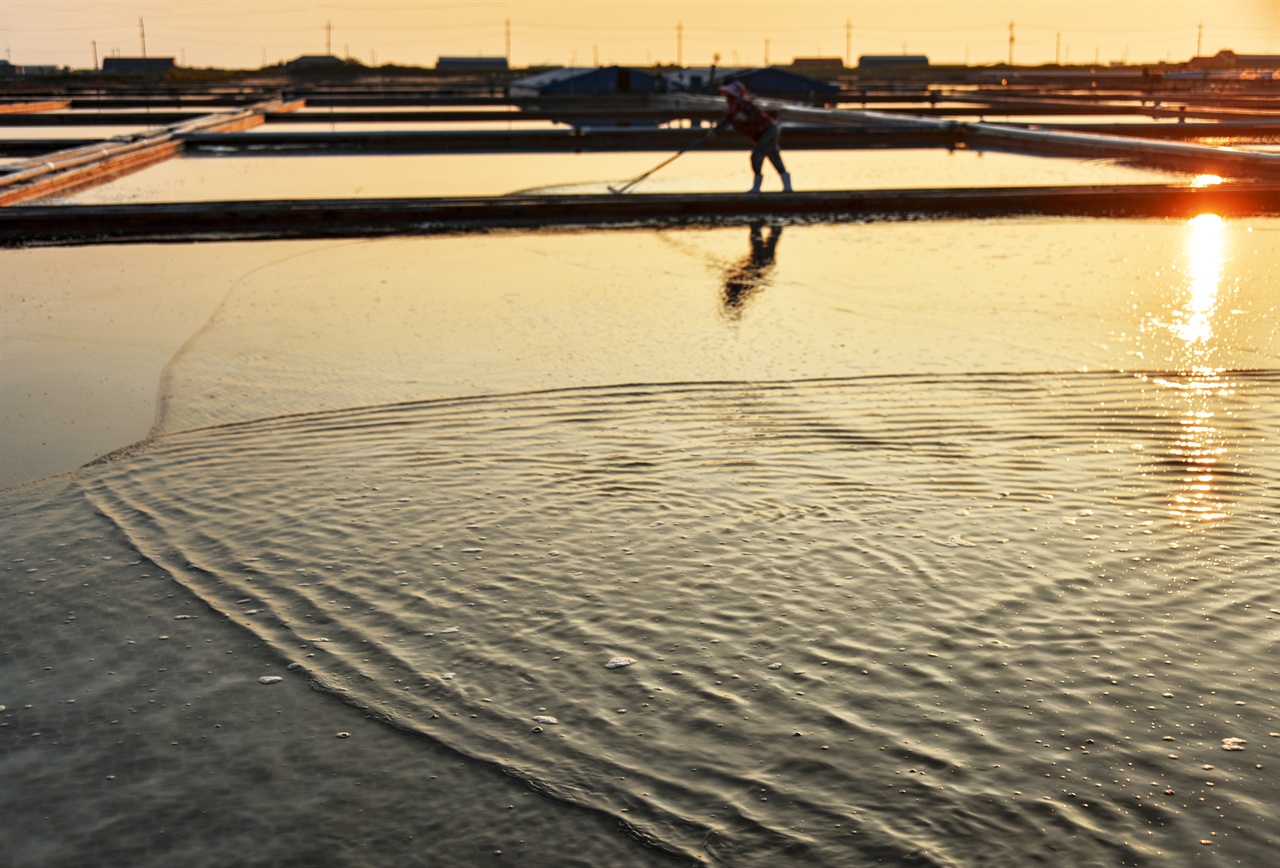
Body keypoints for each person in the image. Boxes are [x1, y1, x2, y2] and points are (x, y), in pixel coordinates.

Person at [713, 81, 792, 193]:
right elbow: (726, 121)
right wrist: (714, 131)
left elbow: (757, 119)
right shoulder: (733, 109)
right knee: (773, 156)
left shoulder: (745, 105)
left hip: (768, 132)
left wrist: (745, 119)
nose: (727, 98)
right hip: (760, 135)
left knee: (757, 156)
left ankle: (757, 188)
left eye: (729, 95)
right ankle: (787, 187)